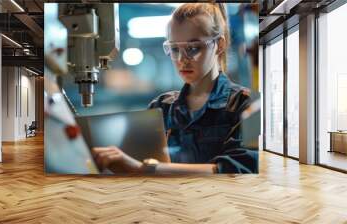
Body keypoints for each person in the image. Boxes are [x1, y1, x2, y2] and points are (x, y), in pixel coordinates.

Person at [92, 3, 258, 174]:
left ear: (219, 45)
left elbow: (239, 169)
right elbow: (134, 162)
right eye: (174, 48)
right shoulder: (161, 107)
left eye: (193, 48)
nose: (181, 60)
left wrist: (146, 169)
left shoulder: (248, 105)